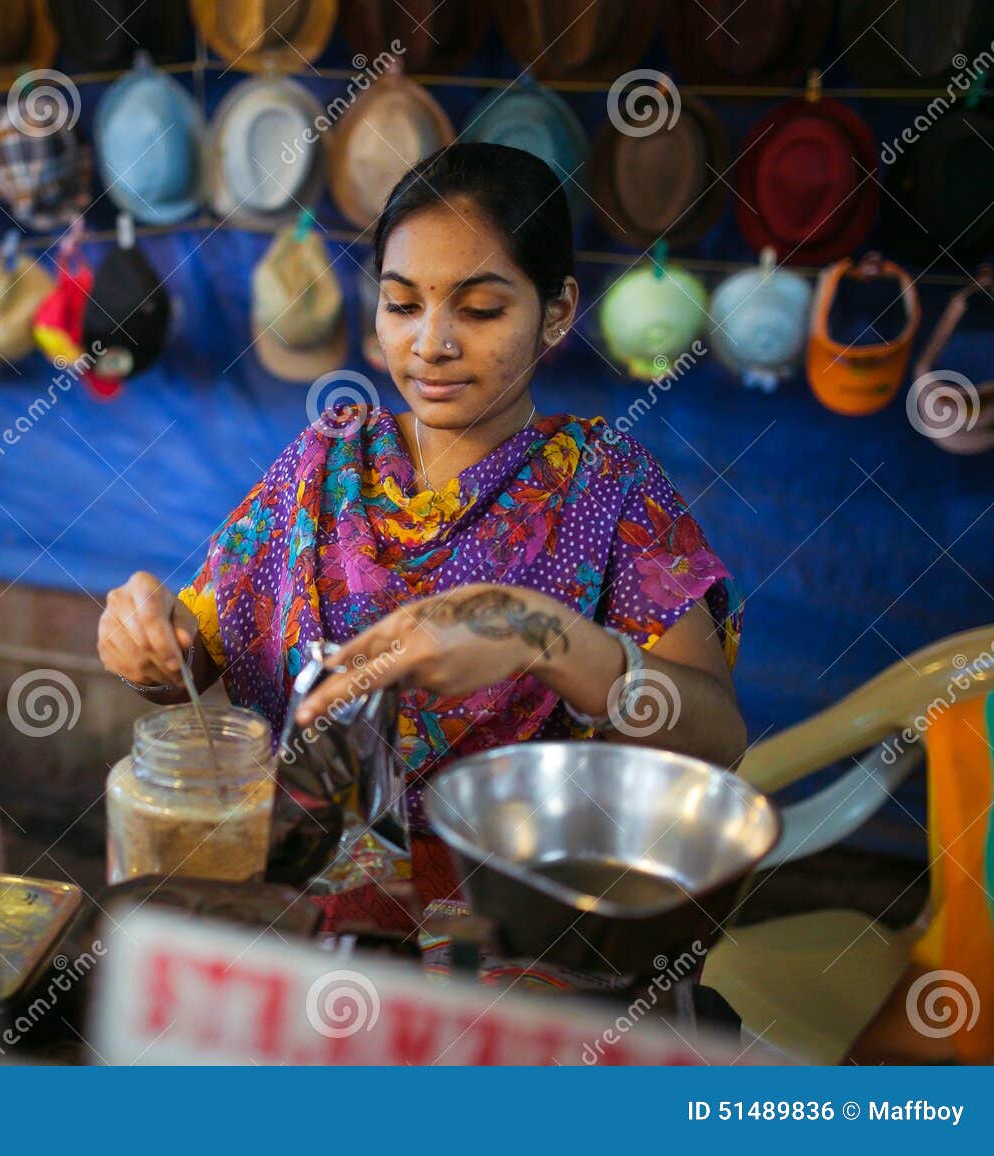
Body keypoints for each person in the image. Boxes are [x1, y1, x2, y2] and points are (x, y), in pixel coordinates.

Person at [96, 140, 746, 934]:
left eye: (479, 310)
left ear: (559, 311)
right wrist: (147, 641)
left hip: (511, 921)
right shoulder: (324, 462)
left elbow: (716, 736)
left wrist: (542, 639)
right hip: (297, 900)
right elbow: (196, 664)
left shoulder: (605, 488)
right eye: (404, 305)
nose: (431, 343)